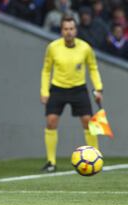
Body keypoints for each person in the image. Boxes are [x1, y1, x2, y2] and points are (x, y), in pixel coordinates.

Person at [40, 15, 103, 172]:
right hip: (58, 88)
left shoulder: (85, 48)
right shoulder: (53, 47)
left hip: (78, 88)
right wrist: (44, 91)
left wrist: (98, 89)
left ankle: (96, 159)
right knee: (51, 122)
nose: (69, 32)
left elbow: (93, 68)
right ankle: (51, 162)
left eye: (71, 29)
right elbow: (46, 70)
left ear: (76, 30)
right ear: (61, 30)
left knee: (89, 122)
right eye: (66, 29)